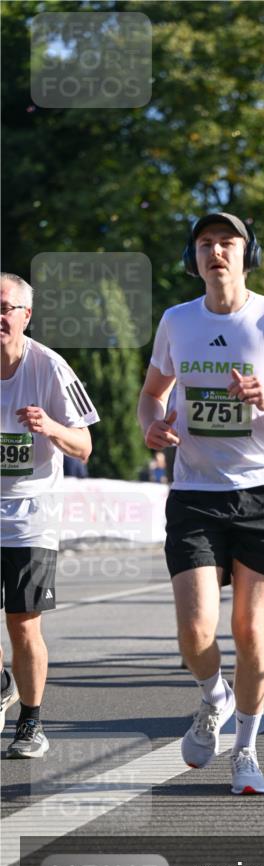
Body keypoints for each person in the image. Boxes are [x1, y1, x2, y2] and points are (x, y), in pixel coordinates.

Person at [137, 212, 264, 795]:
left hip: (262, 494)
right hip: (195, 492)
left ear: (248, 254)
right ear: (193, 258)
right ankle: (212, 697)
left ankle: (246, 749)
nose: (216, 252)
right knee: (195, 631)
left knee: (250, 632)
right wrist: (152, 428)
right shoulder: (176, 320)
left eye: (227, 243)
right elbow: (152, 395)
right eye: (204, 244)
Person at [0, 273, 99, 756]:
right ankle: (4, 680)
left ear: (26, 315)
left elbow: (84, 445)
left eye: (5, 308)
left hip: (30, 514)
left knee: (22, 623)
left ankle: (31, 723)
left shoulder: (50, 367)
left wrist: (51, 426)